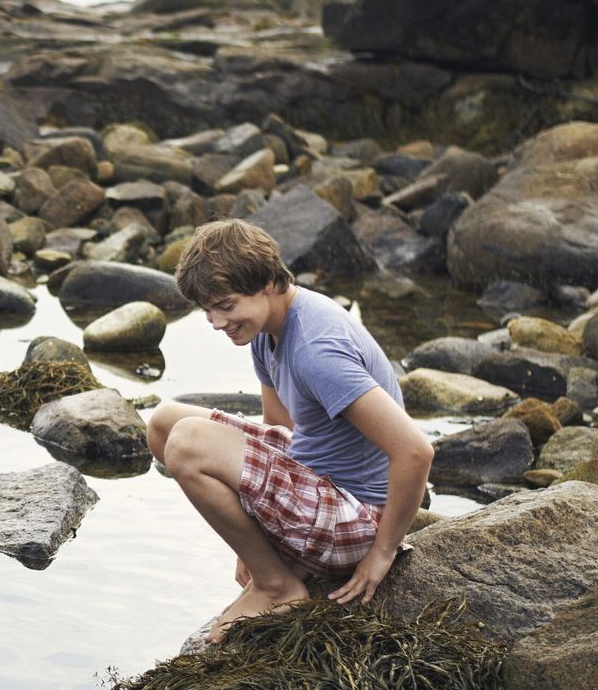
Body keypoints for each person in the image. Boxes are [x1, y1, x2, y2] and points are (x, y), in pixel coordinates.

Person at [146, 219, 433, 643]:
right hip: (319, 486)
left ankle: (277, 585)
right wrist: (254, 540)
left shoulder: (317, 350)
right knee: (164, 423)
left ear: (266, 284)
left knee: (189, 442)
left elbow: (415, 451)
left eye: (225, 305)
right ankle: (273, 567)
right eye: (207, 310)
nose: (216, 322)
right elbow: (281, 430)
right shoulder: (269, 327)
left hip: (358, 517)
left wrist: (383, 552)